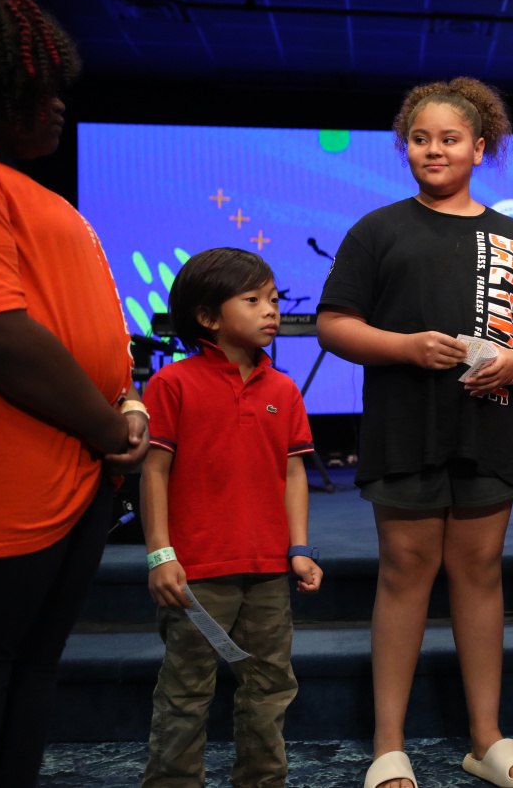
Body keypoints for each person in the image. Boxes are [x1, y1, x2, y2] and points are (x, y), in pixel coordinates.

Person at [317, 78, 513, 788]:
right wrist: (406, 347)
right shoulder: (377, 229)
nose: (434, 150)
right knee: (403, 571)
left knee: (480, 573)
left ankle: (485, 737)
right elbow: (334, 324)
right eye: (420, 139)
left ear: (480, 148)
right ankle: (388, 744)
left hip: (489, 427)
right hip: (403, 428)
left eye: (450, 139)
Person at [0, 0, 148, 788]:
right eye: (39, 87)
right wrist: (109, 426)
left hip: (78, 480)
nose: (58, 105)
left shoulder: (19, 186)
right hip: (11, 492)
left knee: (31, 669)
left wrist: (126, 398)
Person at [139, 247, 323, 788]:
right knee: (185, 692)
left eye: (273, 299)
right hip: (196, 572)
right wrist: (160, 554)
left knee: (270, 689)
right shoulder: (173, 384)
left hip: (268, 570)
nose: (271, 310)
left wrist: (299, 548)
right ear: (207, 316)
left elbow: (293, 474)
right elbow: (154, 473)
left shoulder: (283, 389)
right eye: (253, 300)